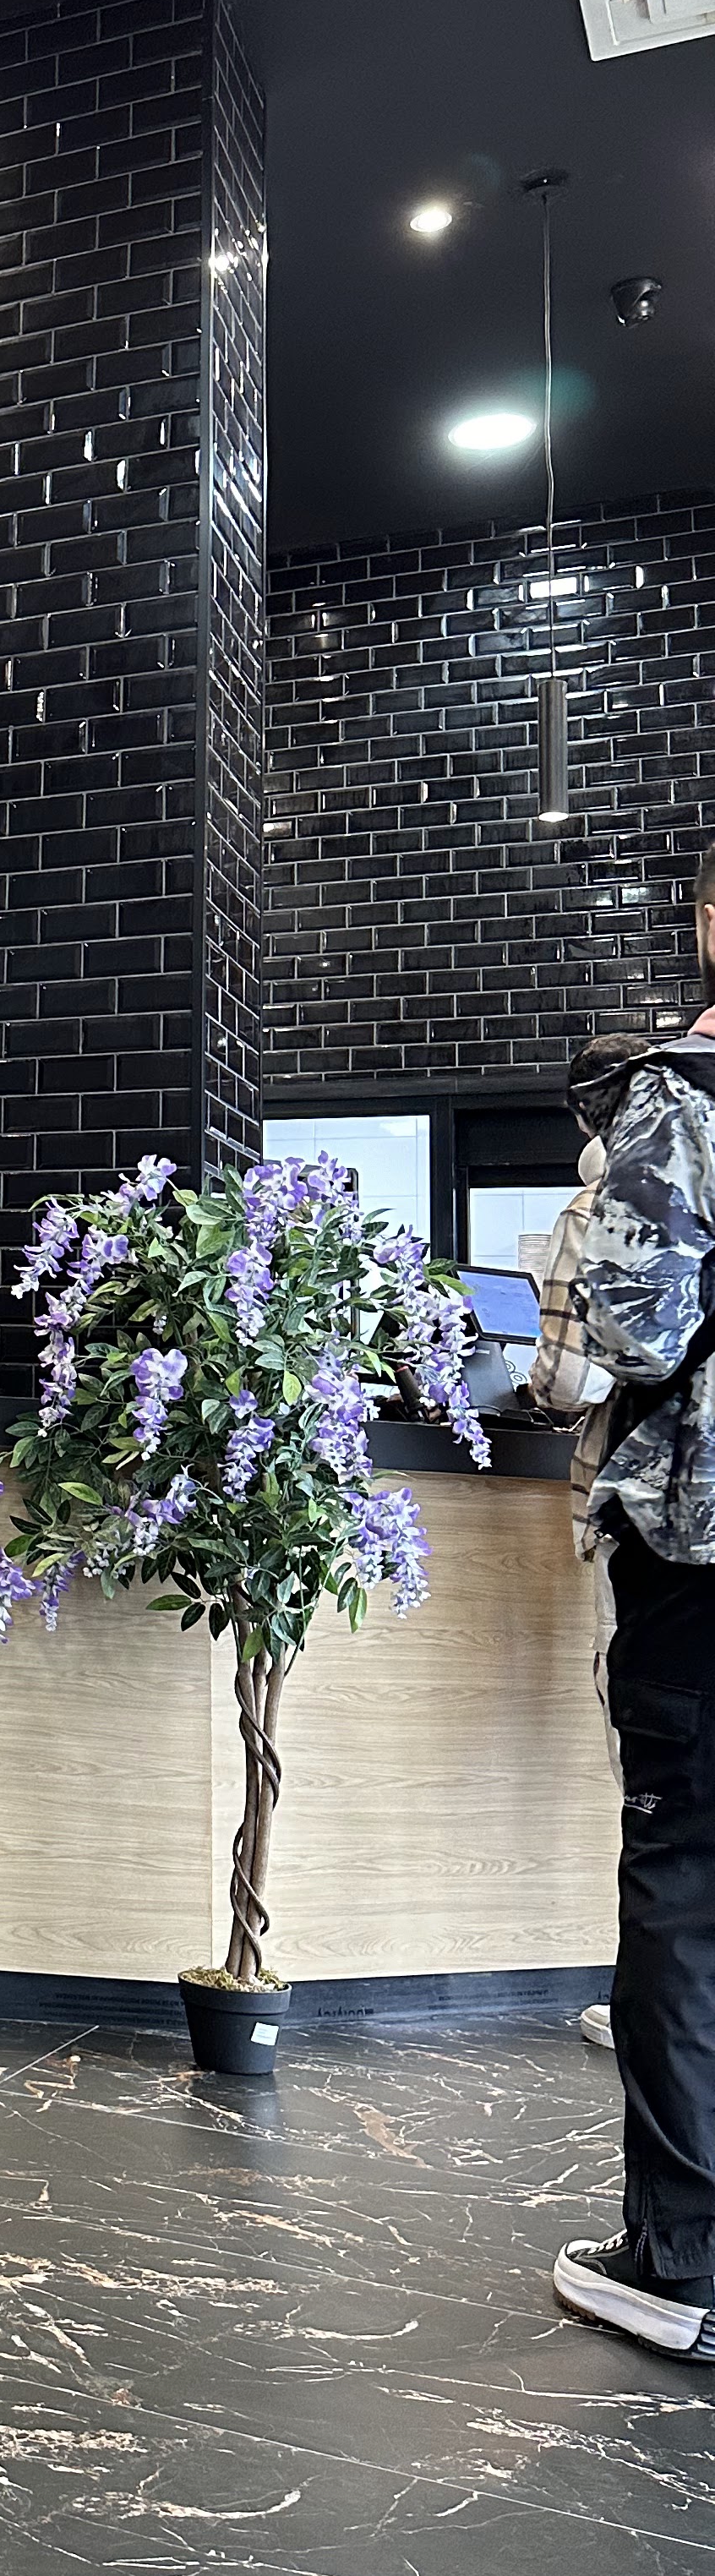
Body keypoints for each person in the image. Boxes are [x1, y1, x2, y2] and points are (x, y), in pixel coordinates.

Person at [553, 847, 715, 2358]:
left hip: (701, 1548)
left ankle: (681, 2263)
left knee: (684, 1874)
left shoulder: (679, 1097)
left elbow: (633, 1329)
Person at [527, 1122, 619, 2049]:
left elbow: (565, 1378)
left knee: (656, 1766)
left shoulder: (599, 1205)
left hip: (649, 1512)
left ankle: (658, 2001)